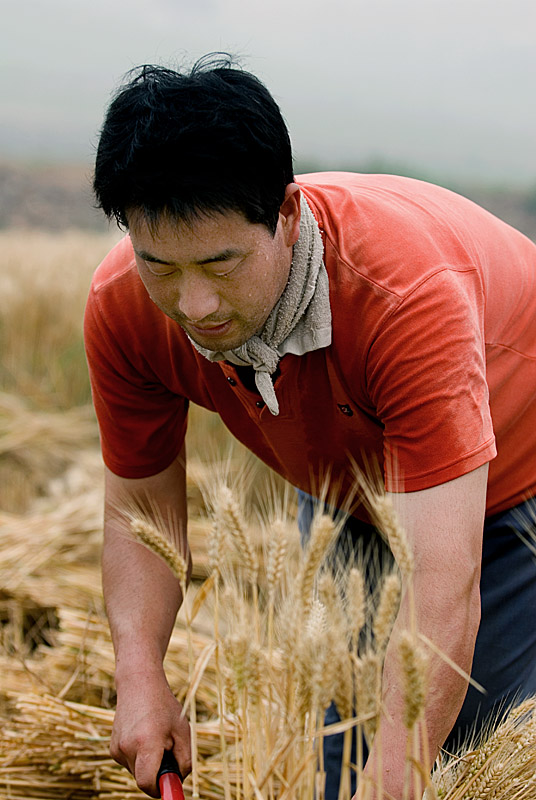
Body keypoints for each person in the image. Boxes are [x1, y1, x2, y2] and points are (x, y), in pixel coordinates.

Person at [85, 54, 536, 800]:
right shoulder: (124, 305)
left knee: (458, 761)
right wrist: (139, 674)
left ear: (288, 216)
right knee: (341, 751)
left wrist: (395, 777)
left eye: (221, 263)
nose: (193, 304)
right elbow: (140, 507)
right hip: (347, 492)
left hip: (510, 489)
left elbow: (439, 579)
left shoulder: (406, 297)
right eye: (161, 266)